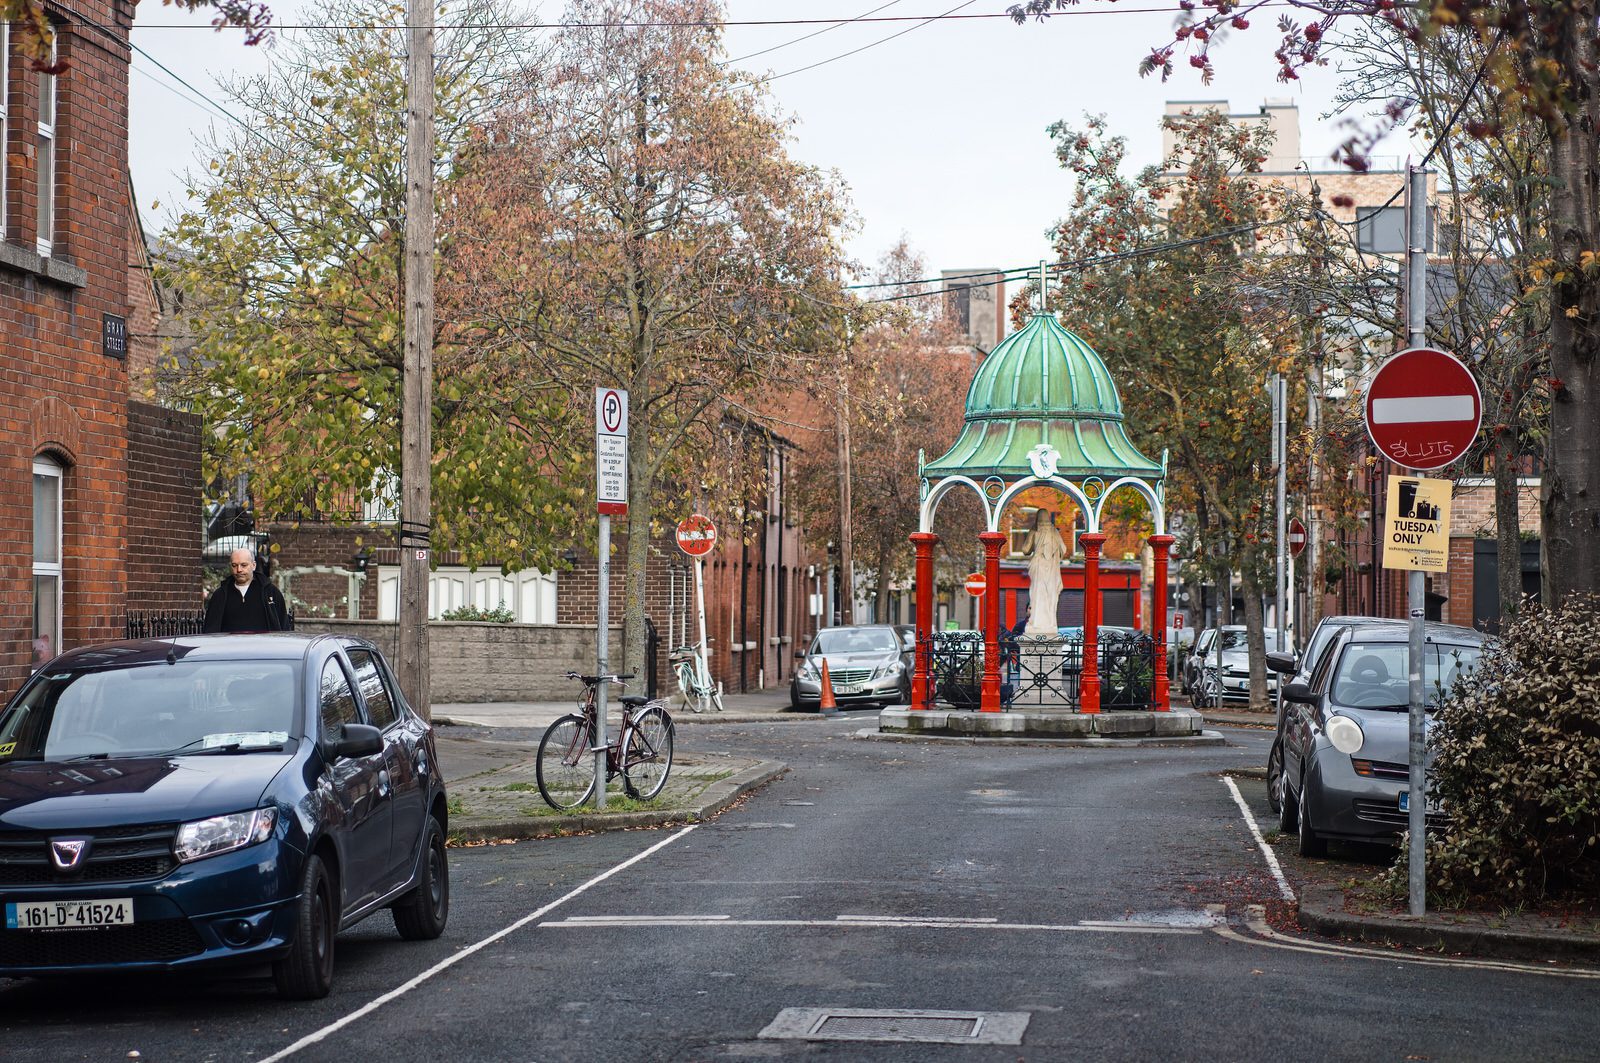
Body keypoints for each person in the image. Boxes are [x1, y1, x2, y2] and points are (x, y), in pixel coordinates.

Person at [203, 547, 293, 633]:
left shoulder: (271, 593)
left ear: (253, 565)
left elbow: (284, 629)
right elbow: (210, 632)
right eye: (234, 565)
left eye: (244, 565)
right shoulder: (220, 595)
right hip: (229, 648)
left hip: (264, 648)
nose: (239, 570)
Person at [1023, 509, 1066, 637]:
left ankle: (1036, 623)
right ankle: (1050, 623)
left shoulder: (1035, 531)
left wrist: (1032, 533)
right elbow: (1064, 549)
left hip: (1038, 566)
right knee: (1050, 595)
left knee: (1037, 594)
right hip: (1052, 570)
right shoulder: (1055, 532)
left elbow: (1025, 549)